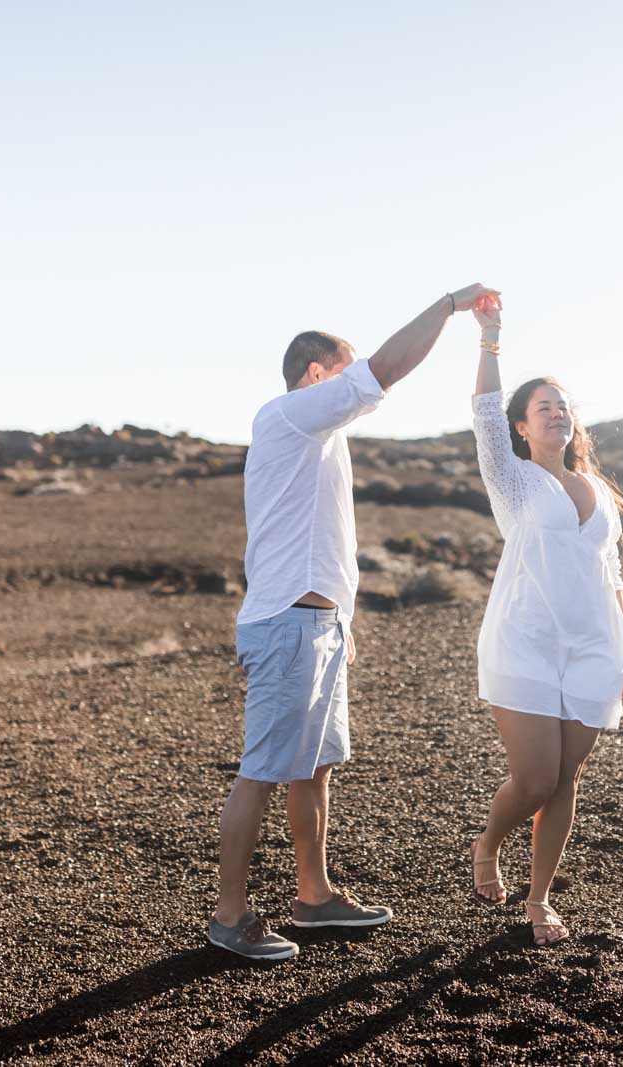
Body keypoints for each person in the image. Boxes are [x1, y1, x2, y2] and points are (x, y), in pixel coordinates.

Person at [208, 282, 501, 961]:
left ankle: (314, 897)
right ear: (316, 376)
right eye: (346, 366)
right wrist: (451, 306)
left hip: (319, 626)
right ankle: (229, 916)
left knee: (315, 770)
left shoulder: (319, 440)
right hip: (288, 627)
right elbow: (386, 371)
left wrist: (345, 627)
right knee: (261, 771)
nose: (357, 378)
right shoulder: (288, 416)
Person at [465, 295, 623, 946]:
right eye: (544, 406)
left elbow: (611, 572)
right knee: (536, 776)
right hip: (525, 641)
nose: (558, 411)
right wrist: (491, 337)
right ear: (521, 426)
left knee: (566, 778)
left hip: (595, 646)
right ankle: (488, 842)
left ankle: (539, 900)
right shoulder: (512, 481)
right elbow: (483, 410)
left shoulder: (599, 492)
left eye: (564, 403)